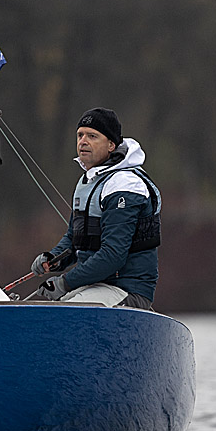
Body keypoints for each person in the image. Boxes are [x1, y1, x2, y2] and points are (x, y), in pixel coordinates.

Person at [30, 108, 161, 309]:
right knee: (43, 310)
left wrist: (64, 283)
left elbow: (113, 255)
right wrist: (53, 258)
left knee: (63, 314)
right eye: (80, 135)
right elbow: (75, 239)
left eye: (92, 136)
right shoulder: (88, 182)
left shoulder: (125, 184)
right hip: (94, 286)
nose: (83, 141)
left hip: (127, 291)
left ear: (111, 144)